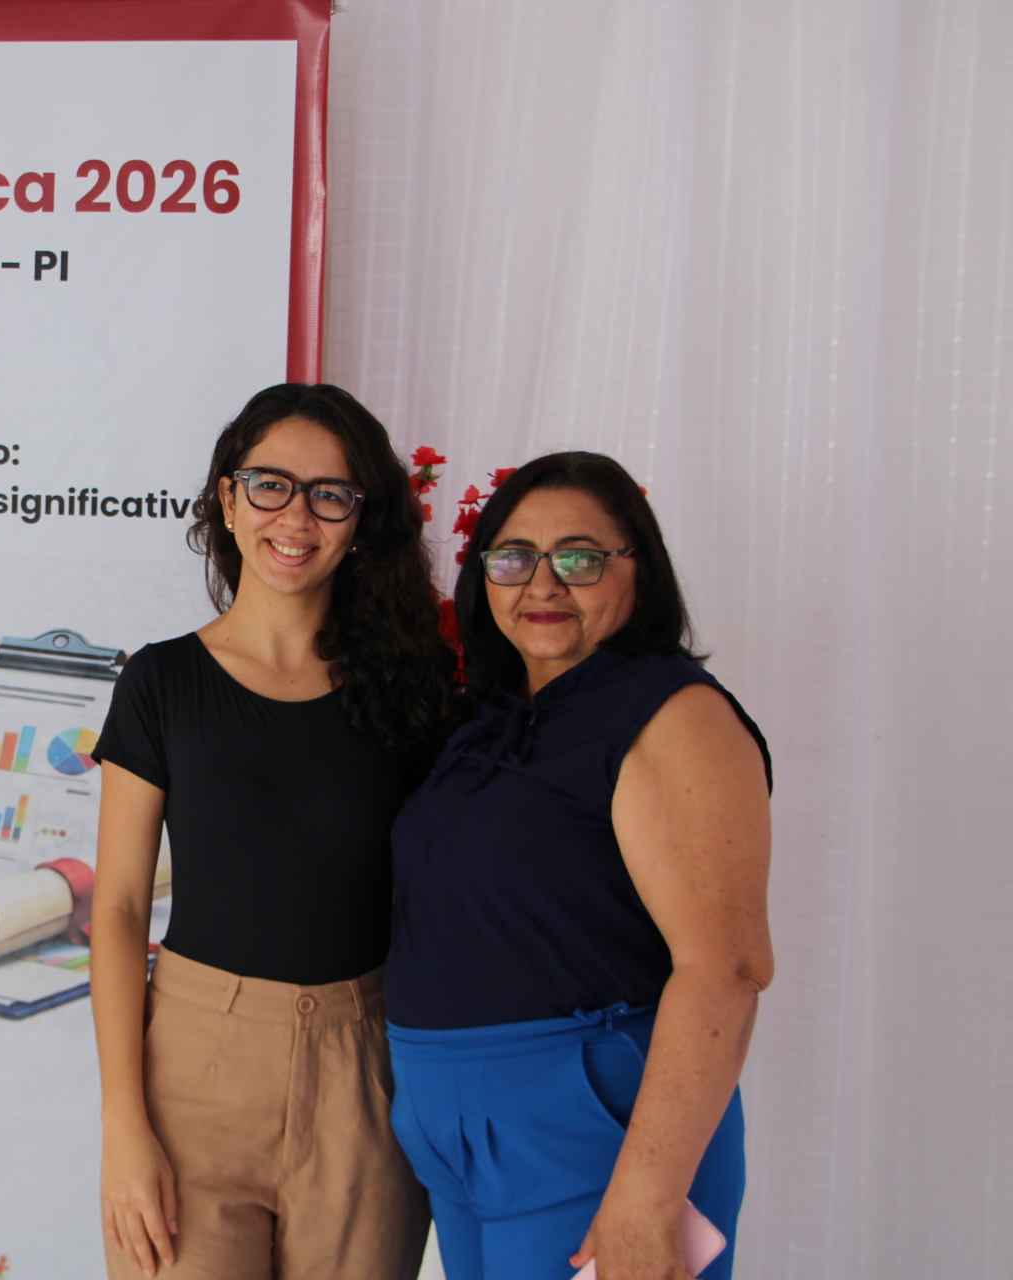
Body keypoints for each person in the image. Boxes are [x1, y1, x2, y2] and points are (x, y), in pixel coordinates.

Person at [89, 383, 461, 1280]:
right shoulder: (162, 683)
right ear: (228, 497)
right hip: (193, 1068)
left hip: (365, 1069)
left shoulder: (412, 694)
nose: (297, 516)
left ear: (361, 520)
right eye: (270, 485)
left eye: (330, 494)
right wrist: (123, 1129)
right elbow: (120, 909)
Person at [384, 452, 774, 1280]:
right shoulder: (494, 719)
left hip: (590, 1135)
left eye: (580, 557)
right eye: (514, 557)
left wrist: (647, 1195)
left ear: (641, 572)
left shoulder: (675, 716)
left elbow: (728, 965)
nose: (543, 584)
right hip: (454, 1134)